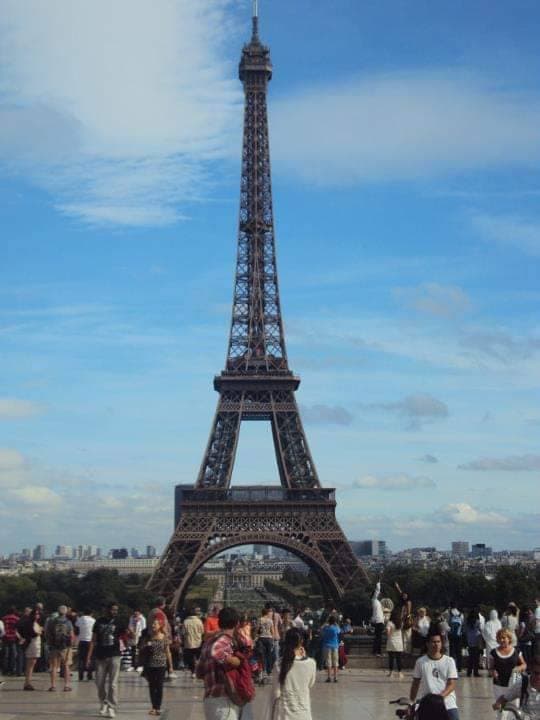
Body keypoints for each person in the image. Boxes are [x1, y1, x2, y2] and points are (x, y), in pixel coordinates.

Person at [197, 606, 242, 720]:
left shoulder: (207, 643)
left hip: (210, 700)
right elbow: (217, 652)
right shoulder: (226, 640)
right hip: (224, 701)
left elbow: (199, 673)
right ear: (237, 624)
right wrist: (236, 662)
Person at [267, 627, 316, 720]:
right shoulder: (311, 663)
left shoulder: (279, 664)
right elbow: (310, 684)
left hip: (284, 715)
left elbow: (276, 692)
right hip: (304, 714)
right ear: (301, 642)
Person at [87, 601, 126, 718]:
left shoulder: (119, 622)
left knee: (113, 684)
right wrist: (88, 656)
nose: (115, 612)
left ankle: (111, 706)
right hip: (100, 655)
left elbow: (127, 636)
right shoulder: (98, 622)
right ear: (107, 610)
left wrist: (131, 633)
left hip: (114, 655)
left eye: (116, 610)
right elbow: (93, 640)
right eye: (113, 609)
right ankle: (104, 701)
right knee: (99, 682)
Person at [410, 633, 460, 720]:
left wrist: (439, 698)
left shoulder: (449, 661)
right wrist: (411, 703)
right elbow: (415, 684)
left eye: (438, 642)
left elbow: (451, 684)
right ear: (427, 644)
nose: (436, 644)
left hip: (448, 705)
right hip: (428, 706)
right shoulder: (420, 662)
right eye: (433, 642)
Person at [489, 627, 527, 720]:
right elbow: (490, 668)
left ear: (509, 638)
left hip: (514, 684)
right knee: (501, 710)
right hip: (499, 685)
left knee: (514, 710)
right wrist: (492, 672)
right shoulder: (493, 652)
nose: (502, 640)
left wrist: (518, 668)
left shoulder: (516, 651)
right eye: (500, 638)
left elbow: (524, 664)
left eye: (504, 638)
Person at [139, 617, 173, 716]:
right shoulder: (148, 637)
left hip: (161, 664)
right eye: (152, 624)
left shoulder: (164, 637)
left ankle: (158, 707)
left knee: (159, 686)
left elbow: (168, 652)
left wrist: (170, 667)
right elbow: (141, 649)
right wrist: (144, 647)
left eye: (155, 624)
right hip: (150, 664)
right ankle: (154, 707)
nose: (153, 626)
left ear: (160, 626)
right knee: (152, 686)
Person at [46, 605, 73, 692]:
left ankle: (53, 685)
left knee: (54, 666)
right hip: (65, 647)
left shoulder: (52, 621)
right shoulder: (68, 622)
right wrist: (70, 645)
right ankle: (66, 685)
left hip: (54, 646)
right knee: (66, 665)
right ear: (65, 612)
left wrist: (49, 643)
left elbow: (48, 633)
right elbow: (71, 635)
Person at [16, 608, 43, 691]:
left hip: (35, 644)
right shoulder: (29, 622)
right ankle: (27, 682)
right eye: (36, 614)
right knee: (30, 664)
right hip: (32, 644)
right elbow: (31, 633)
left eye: (38, 614)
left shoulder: (34, 622)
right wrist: (39, 632)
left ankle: (28, 682)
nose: (37, 615)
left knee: (31, 663)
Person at [183, 607, 205, 679]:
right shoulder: (199, 621)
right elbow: (202, 632)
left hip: (188, 643)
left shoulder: (185, 621)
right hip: (198, 642)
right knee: (198, 657)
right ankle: (198, 670)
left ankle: (193, 672)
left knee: (190, 658)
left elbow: (183, 632)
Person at [2, 607, 23, 677]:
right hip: (13, 638)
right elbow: (19, 628)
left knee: (5, 655)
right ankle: (12, 670)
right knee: (13, 655)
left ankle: (5, 670)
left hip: (5, 638)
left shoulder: (3, 618)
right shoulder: (17, 619)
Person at [76, 609, 95, 681]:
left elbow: (77, 627)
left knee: (81, 658)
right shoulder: (93, 620)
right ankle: (89, 674)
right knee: (90, 658)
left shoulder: (80, 619)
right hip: (90, 641)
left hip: (81, 640)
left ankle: (80, 675)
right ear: (91, 613)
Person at [320, 614, 340, 683]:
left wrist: (325, 622)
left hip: (326, 646)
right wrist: (335, 623)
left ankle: (329, 677)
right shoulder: (336, 628)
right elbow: (339, 631)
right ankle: (335, 677)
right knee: (335, 662)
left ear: (329, 621)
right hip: (335, 646)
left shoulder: (326, 628)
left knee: (328, 662)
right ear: (334, 621)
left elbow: (321, 630)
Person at [386, 608, 404, 679]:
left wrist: (389, 634)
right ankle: (400, 673)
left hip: (391, 641)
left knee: (391, 658)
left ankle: (391, 673)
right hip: (399, 642)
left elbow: (388, 633)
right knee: (398, 658)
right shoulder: (400, 623)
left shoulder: (389, 623)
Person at [258, 606, 275, 679]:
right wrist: (273, 639)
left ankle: (264, 669)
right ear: (267, 613)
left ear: (262, 613)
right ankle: (269, 670)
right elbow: (272, 631)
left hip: (262, 638)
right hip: (269, 638)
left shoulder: (260, 620)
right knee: (269, 655)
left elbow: (258, 629)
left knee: (263, 655)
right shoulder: (270, 620)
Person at [465, 610, 483, 677]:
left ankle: (469, 672)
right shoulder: (477, 622)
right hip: (476, 640)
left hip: (470, 641)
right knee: (476, 658)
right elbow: (480, 630)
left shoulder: (467, 623)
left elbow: (465, 631)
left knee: (470, 658)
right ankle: (476, 672)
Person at [371, 577, 385, 656]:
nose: (379, 594)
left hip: (379, 621)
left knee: (378, 637)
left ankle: (376, 651)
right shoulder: (374, 600)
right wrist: (378, 583)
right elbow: (377, 590)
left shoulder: (377, 602)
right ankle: (378, 652)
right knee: (378, 638)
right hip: (378, 621)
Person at [448, 606, 464, 673]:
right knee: (459, 652)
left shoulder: (449, 613)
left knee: (452, 652)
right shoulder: (461, 614)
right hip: (459, 636)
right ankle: (459, 667)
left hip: (451, 636)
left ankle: (452, 667)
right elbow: (462, 624)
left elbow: (448, 624)